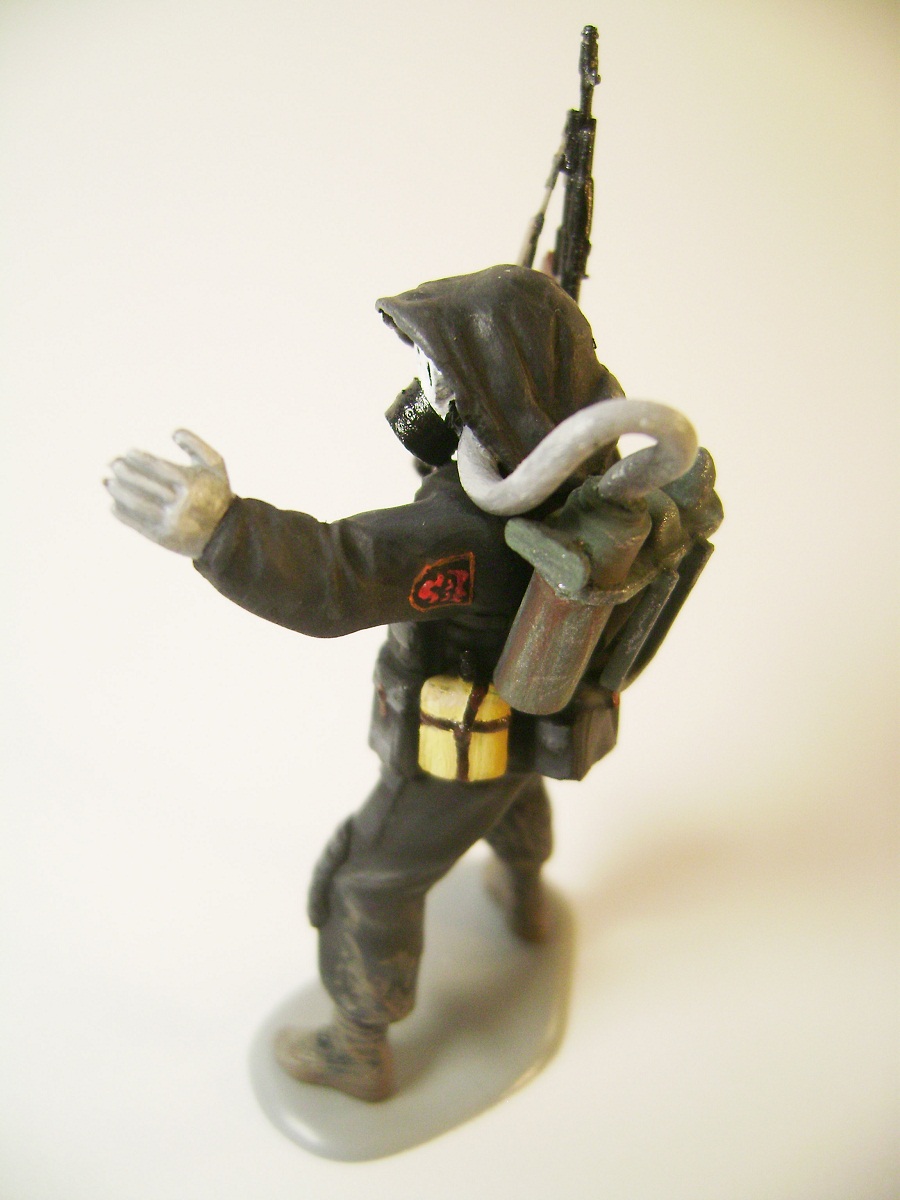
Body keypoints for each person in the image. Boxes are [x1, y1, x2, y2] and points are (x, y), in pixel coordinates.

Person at [106, 264, 654, 1102]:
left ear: (492, 397)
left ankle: (356, 1045)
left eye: (446, 374)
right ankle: (525, 899)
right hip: (524, 729)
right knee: (512, 796)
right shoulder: (586, 471)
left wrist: (224, 531)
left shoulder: (463, 530)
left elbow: (338, 575)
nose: (428, 388)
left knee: (367, 879)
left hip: (457, 745)